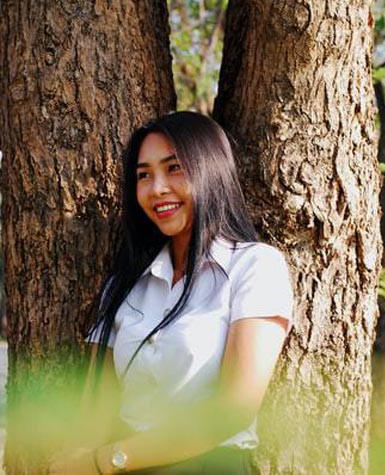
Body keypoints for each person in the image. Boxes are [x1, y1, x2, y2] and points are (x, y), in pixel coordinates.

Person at [49, 111, 293, 475]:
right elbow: (96, 409)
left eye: (173, 168)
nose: (157, 188)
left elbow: (232, 410)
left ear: (211, 169)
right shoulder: (124, 285)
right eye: (143, 175)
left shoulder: (255, 267)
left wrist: (109, 460)